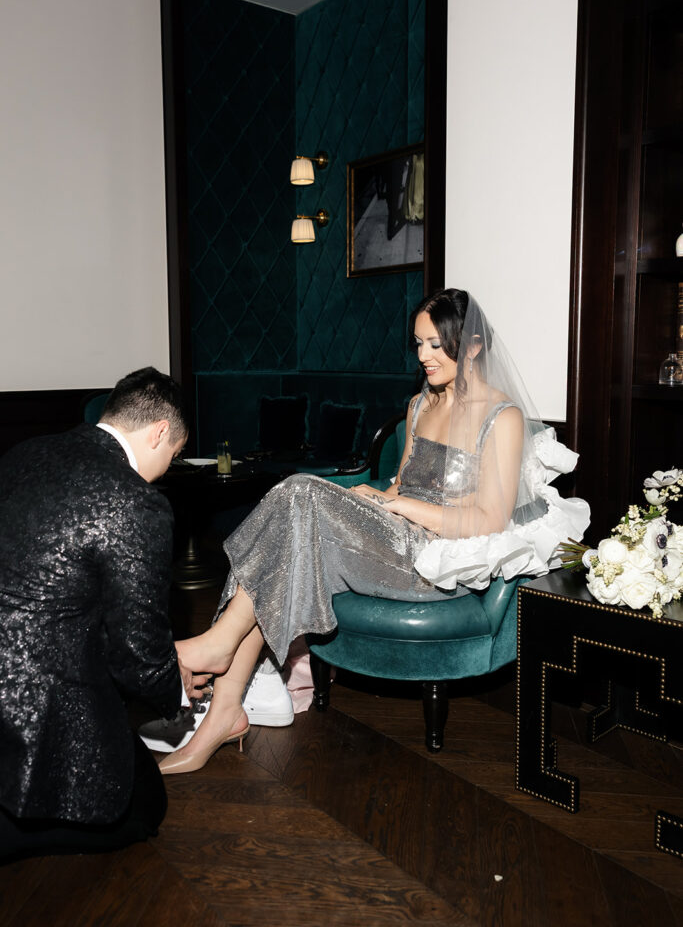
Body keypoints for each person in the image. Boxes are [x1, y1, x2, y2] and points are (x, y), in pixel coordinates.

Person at [159, 289, 588, 775]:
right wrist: (371, 498)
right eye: (418, 344)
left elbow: (489, 520)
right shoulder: (421, 404)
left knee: (300, 493)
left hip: (439, 563)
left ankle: (219, 646)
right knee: (291, 518)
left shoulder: (502, 417)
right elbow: (403, 483)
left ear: (470, 346)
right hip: (393, 540)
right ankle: (223, 715)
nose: (422, 356)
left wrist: (395, 502)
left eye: (434, 344)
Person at [0, 367, 207, 861]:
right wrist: (175, 688)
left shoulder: (25, 451)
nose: (167, 468)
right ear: (160, 433)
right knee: (143, 808)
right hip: (30, 697)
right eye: (173, 456)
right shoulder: (136, 502)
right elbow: (136, 651)